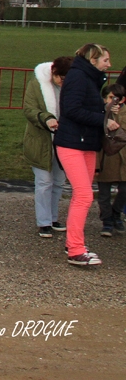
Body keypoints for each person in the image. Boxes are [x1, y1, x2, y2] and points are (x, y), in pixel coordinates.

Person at [55, 43, 118, 267]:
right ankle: (75, 249)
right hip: (72, 143)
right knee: (83, 196)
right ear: (93, 60)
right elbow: (71, 110)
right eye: (105, 60)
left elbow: (86, 108)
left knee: (81, 195)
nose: (109, 65)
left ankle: (73, 242)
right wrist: (103, 120)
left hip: (85, 144)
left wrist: (106, 111)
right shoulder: (79, 78)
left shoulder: (88, 78)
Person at [23, 57, 72, 238]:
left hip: (64, 140)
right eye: (61, 78)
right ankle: (43, 222)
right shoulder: (36, 84)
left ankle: (53, 217)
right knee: (44, 182)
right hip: (41, 139)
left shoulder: (71, 87)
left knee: (58, 181)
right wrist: (46, 118)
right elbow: (29, 109)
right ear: (53, 72)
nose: (62, 82)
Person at [97, 82, 126, 238]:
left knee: (124, 190)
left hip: (123, 159)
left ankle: (116, 213)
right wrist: (106, 115)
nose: (113, 101)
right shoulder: (99, 112)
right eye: (110, 98)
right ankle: (107, 220)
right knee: (104, 193)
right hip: (105, 158)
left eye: (116, 98)